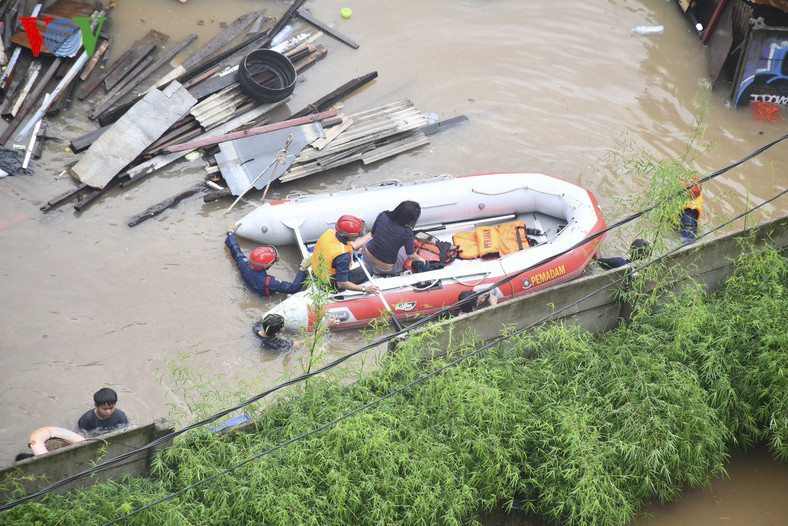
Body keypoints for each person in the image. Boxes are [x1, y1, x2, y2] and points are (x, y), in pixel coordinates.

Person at [225, 225, 310, 297]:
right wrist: (302, 268)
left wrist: (230, 233)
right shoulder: (269, 282)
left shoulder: (244, 264)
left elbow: (235, 250)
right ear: (266, 265)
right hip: (263, 296)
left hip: (248, 286)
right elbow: (294, 288)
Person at [311, 215, 379, 294]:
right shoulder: (343, 256)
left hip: (316, 273)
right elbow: (342, 284)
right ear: (347, 236)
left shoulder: (329, 232)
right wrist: (364, 289)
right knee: (369, 269)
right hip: (329, 284)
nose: (357, 237)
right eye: (356, 236)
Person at [358, 200, 426, 276]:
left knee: (374, 239)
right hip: (383, 268)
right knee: (405, 250)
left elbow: (373, 234)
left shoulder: (383, 215)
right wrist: (420, 259)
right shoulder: (407, 232)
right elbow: (411, 255)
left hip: (366, 255)